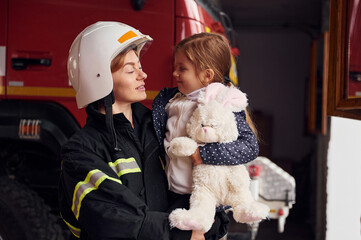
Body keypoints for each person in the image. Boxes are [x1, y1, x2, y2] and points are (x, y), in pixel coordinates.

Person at [58, 22, 228, 240]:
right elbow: (115, 221)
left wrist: (207, 219)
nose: (143, 75)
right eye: (131, 70)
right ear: (100, 80)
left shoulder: (159, 126)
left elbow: (191, 186)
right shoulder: (79, 153)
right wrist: (184, 233)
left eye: (139, 66)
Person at [152, 32, 259, 234]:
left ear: (207, 75)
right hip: (171, 193)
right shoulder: (171, 100)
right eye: (175, 67)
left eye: (182, 69)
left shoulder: (219, 104)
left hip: (201, 197)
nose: (175, 74)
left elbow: (249, 147)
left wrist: (203, 154)